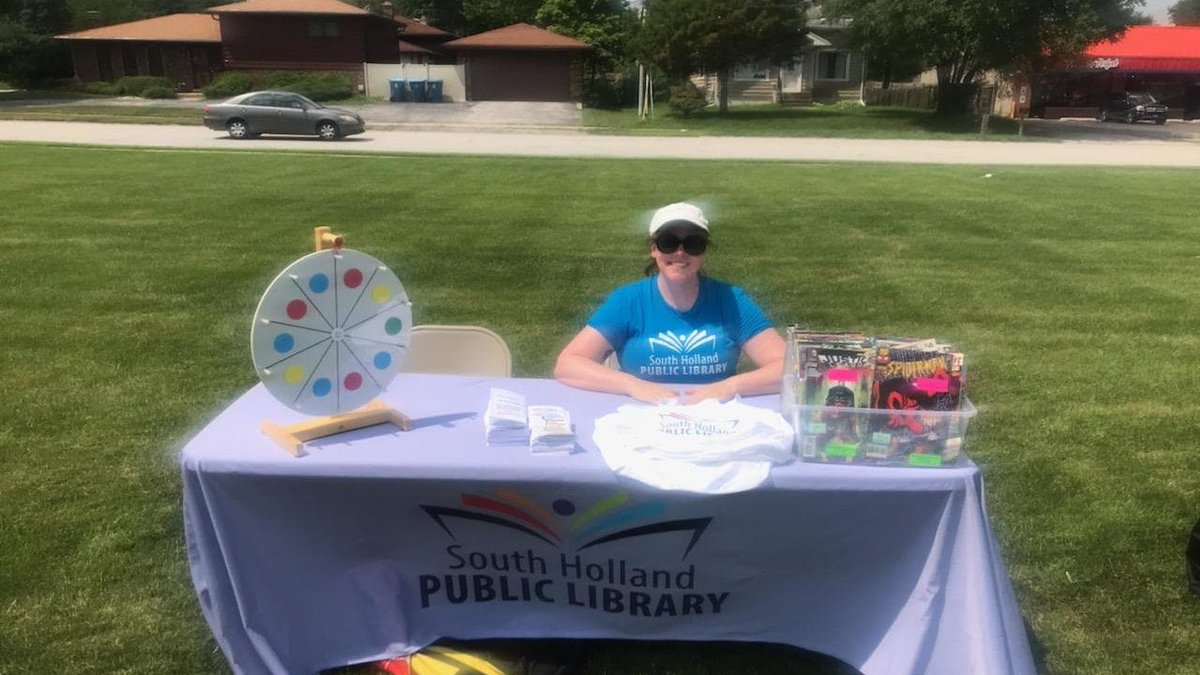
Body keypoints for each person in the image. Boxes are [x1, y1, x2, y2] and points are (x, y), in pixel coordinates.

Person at [554, 202, 786, 404]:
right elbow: (568, 365)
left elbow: (787, 367)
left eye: (693, 244)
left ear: (703, 252)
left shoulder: (730, 300)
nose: (680, 252)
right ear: (654, 249)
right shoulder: (628, 301)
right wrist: (631, 385)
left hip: (715, 417)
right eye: (668, 242)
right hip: (640, 415)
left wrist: (729, 386)